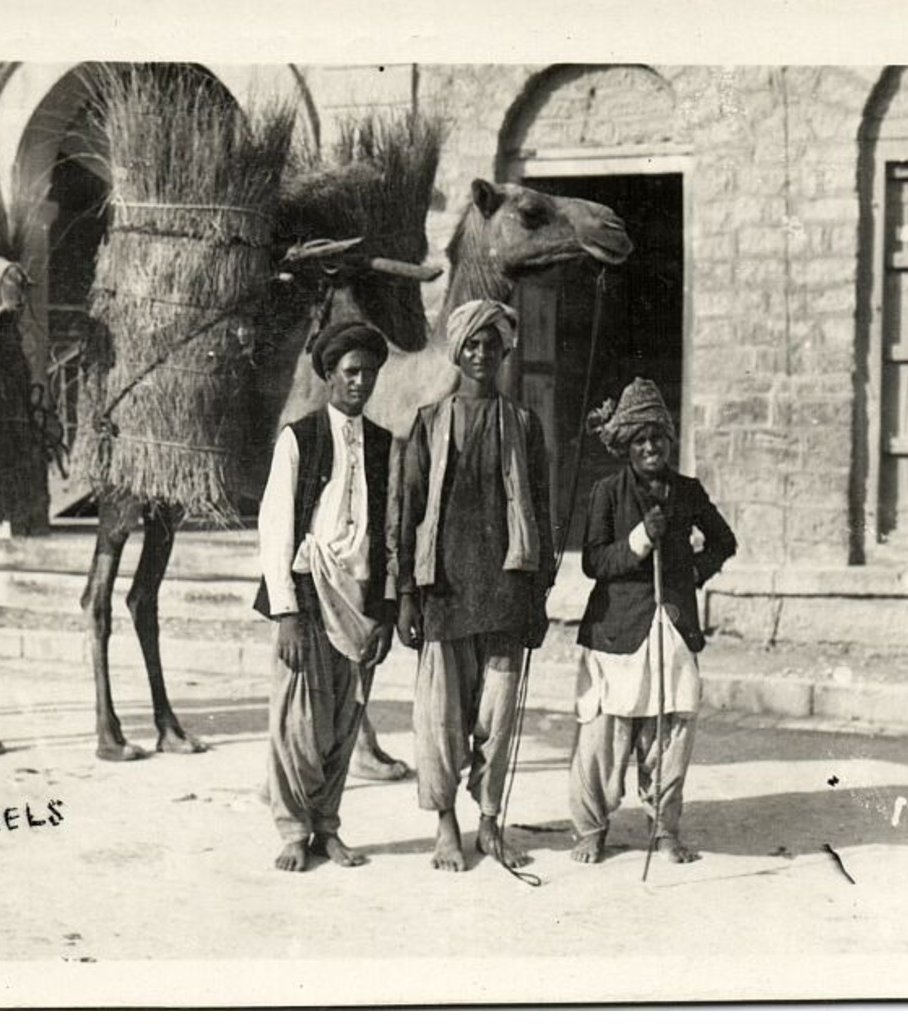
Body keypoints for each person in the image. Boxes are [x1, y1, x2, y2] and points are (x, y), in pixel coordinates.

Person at [395, 299, 552, 873]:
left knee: (499, 716)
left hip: (505, 590)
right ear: (458, 352)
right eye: (473, 345)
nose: (483, 355)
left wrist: (538, 596)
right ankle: (445, 824)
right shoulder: (430, 422)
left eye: (493, 345)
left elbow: (542, 510)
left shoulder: (524, 425)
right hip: (444, 591)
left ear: (506, 352)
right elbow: (408, 511)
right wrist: (406, 594)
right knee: (440, 719)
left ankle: (489, 822)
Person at [569, 377, 737, 865]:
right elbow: (594, 562)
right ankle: (591, 828)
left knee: (670, 732)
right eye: (640, 440)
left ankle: (664, 829)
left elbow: (725, 541)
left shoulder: (687, 492)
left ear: (669, 440)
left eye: (657, 438)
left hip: (672, 627)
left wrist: (689, 575)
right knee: (604, 733)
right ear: (626, 445)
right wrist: (640, 540)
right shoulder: (607, 493)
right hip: (616, 631)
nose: (650, 448)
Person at [254, 320, 396, 873]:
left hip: (358, 602)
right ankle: (293, 831)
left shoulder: (384, 443)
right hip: (309, 595)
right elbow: (275, 527)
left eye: (369, 373)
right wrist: (285, 610)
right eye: (351, 372)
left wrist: (382, 610)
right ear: (330, 376)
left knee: (344, 717)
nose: (360, 382)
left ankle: (328, 828)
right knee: (298, 720)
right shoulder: (300, 437)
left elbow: (388, 531)